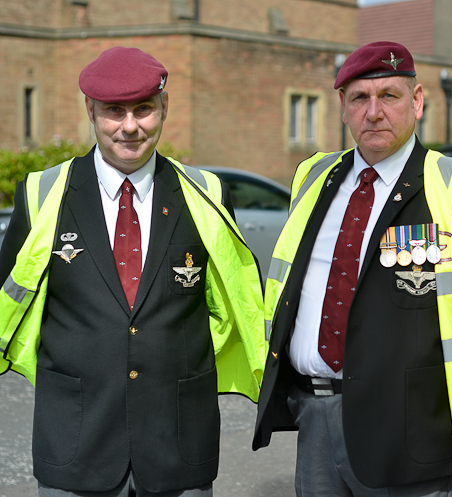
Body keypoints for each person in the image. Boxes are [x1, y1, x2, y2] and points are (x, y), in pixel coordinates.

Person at [0, 47, 266, 496]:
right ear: (90, 110)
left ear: (164, 107)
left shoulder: (207, 194)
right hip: (75, 442)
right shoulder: (41, 192)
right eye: (113, 111)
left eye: (143, 109)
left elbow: (234, 299)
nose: (129, 127)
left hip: (178, 446)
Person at [253, 41, 452, 496]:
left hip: (410, 433)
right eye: (359, 99)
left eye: (388, 96)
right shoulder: (313, 177)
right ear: (342, 108)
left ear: (418, 100)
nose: (373, 112)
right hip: (316, 417)